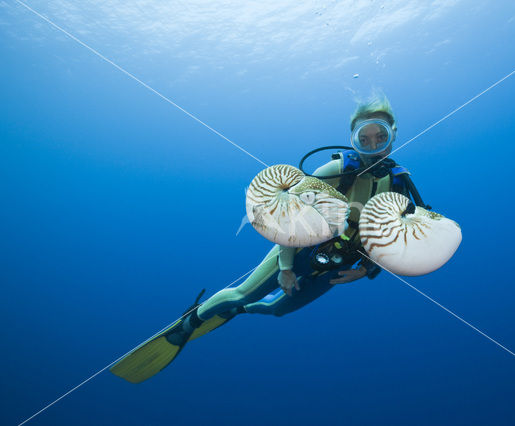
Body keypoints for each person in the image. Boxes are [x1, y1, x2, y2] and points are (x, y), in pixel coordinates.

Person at [110, 93, 428, 383]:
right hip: (296, 252)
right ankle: (189, 323)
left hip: (334, 267)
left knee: (278, 310)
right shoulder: (335, 170)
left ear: (393, 136)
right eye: (364, 138)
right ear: (353, 140)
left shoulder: (400, 187)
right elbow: (291, 220)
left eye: (381, 137)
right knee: (242, 293)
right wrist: (286, 267)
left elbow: (390, 237)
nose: (373, 145)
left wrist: (365, 270)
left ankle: (238, 312)